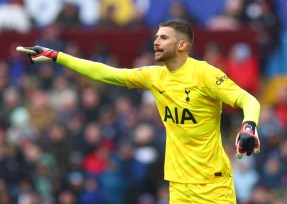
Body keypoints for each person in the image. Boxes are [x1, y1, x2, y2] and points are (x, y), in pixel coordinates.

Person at [16, 19, 260, 203]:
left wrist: (248, 126)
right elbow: (107, 72)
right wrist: (57, 56)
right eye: (156, 36)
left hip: (213, 184)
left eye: (164, 37)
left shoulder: (205, 74)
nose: (156, 41)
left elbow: (248, 100)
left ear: (183, 45)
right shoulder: (154, 76)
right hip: (179, 185)